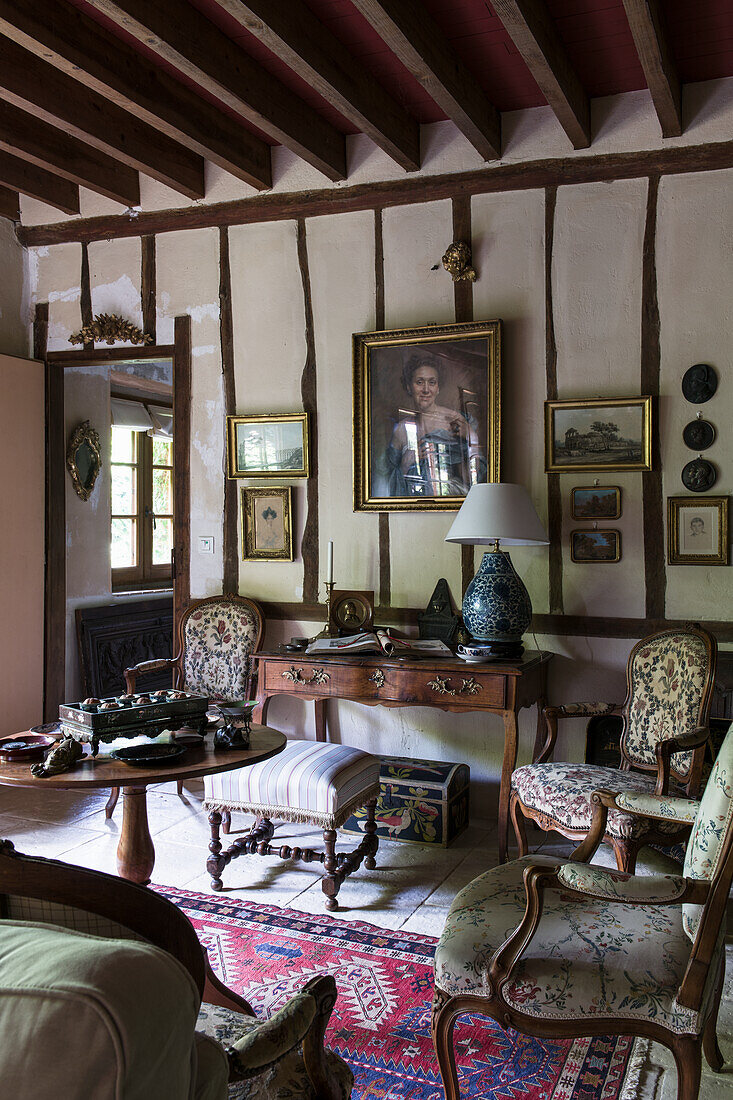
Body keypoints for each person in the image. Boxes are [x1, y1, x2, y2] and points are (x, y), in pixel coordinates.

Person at [385, 354, 484, 497]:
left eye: (432, 382)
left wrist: (471, 437)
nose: (426, 389)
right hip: (414, 507)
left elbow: (474, 474)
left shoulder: (454, 420)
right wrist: (405, 465)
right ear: (408, 387)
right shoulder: (402, 429)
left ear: (438, 388)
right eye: (419, 382)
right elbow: (390, 482)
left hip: (453, 502)